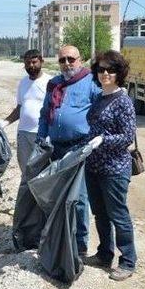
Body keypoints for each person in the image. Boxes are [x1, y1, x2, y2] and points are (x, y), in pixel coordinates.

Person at [36, 45, 102, 257]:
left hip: (79, 148)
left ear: (80, 60)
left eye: (71, 59)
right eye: (63, 60)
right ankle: (59, 236)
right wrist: (40, 138)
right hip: (55, 149)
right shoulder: (54, 84)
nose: (67, 64)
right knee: (56, 196)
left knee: (79, 198)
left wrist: (95, 141)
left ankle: (80, 244)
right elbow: (45, 114)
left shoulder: (91, 81)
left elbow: (103, 110)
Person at [83, 50, 137, 281]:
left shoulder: (123, 101)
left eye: (110, 70)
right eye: (101, 69)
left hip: (115, 168)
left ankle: (128, 261)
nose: (105, 73)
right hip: (94, 166)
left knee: (118, 214)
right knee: (100, 214)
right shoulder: (99, 98)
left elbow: (127, 137)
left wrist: (103, 140)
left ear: (119, 73)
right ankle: (105, 253)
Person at [0, 49, 49, 177]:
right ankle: (29, 195)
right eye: (27, 63)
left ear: (41, 61)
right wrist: (5, 122)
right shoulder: (23, 83)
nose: (31, 66)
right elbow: (20, 107)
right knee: (26, 171)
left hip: (41, 134)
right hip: (23, 134)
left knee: (44, 173)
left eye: (34, 62)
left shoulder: (50, 82)